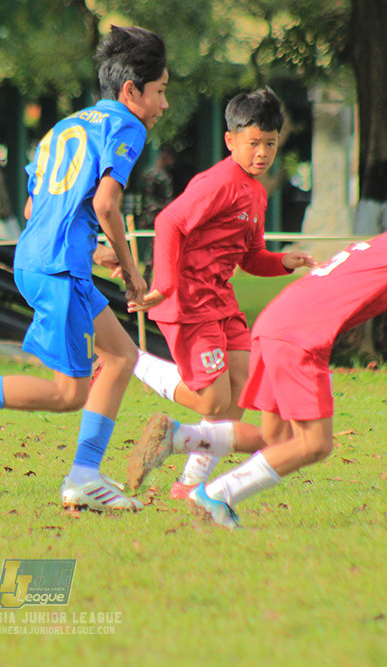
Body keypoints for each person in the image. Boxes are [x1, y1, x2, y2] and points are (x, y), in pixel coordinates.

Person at [128, 164, 387, 528]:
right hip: (300, 338)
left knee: (273, 436)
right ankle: (216, 495)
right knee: (315, 444)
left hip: (275, 323)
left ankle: (178, 438)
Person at [0, 25, 168, 512]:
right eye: (161, 91)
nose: (164, 105)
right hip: (58, 270)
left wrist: (95, 252)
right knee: (69, 393)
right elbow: (107, 205)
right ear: (131, 92)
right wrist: (130, 271)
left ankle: (85, 475)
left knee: (122, 357)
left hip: (45, 261)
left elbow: (34, 210)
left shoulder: (66, 127)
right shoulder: (127, 126)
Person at [129, 88, 313, 501]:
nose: (262, 153)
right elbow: (168, 223)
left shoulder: (256, 192)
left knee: (241, 389)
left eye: (270, 144)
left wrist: (282, 262)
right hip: (191, 303)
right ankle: (133, 362)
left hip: (221, 302)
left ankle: (190, 483)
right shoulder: (218, 183)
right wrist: (165, 284)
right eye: (253, 144)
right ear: (231, 141)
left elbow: (250, 256)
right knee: (213, 402)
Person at [137, 143, 176, 284]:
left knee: (152, 248)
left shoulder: (146, 173)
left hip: (146, 215)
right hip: (159, 216)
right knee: (158, 249)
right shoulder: (162, 176)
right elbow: (167, 200)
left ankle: (147, 278)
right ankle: (151, 280)